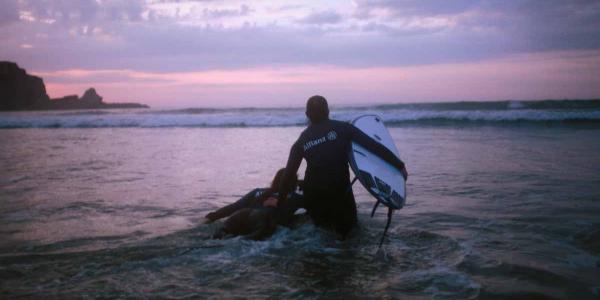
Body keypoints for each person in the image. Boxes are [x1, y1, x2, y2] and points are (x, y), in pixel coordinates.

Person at [278, 95, 408, 239]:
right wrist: (399, 165)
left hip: (315, 196)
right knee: (349, 235)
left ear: (307, 115)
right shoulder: (343, 128)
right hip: (340, 193)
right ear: (328, 111)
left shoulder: (301, 141)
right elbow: (373, 146)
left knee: (321, 236)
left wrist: (279, 206)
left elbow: (288, 176)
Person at [205, 168, 304, 240]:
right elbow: (310, 206)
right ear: (293, 184)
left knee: (220, 235)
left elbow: (234, 207)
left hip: (241, 215)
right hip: (261, 218)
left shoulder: (258, 191)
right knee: (243, 241)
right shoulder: (293, 196)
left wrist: (212, 216)